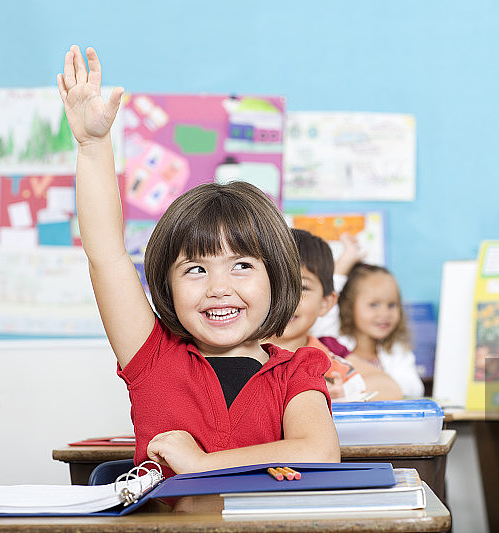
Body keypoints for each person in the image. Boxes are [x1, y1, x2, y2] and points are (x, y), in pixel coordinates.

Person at [57, 45, 339, 478]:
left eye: (242, 265)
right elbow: (107, 254)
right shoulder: (150, 355)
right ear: (166, 286)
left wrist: (201, 465)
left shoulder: (297, 369)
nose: (219, 287)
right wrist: (93, 146)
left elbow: (318, 450)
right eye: (195, 269)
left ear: (276, 277)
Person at [267, 229, 402, 401]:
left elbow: (389, 388)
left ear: (326, 303)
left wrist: (342, 394)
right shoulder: (237, 352)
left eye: (302, 288)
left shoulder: (328, 355)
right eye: (275, 284)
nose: (287, 298)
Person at [311, 236, 425, 398]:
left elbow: (413, 389)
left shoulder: (396, 350)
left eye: (392, 305)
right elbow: (327, 301)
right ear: (349, 307)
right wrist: (346, 260)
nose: (384, 314)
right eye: (374, 305)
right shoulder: (335, 342)